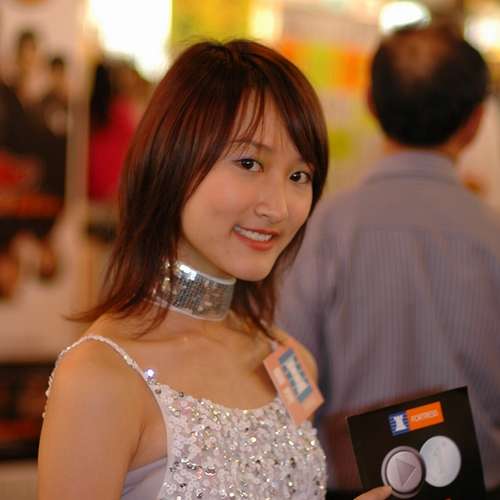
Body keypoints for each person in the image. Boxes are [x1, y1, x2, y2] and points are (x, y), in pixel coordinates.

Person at [38, 40, 391, 500]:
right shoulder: (98, 378)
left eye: (299, 175)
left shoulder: (290, 360)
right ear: (173, 161)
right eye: (249, 163)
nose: (278, 208)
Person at [277, 24, 500, 500]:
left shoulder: (319, 230)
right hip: (479, 485)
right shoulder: (493, 235)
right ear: (475, 121)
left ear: (371, 104)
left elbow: (286, 368)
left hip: (352, 487)